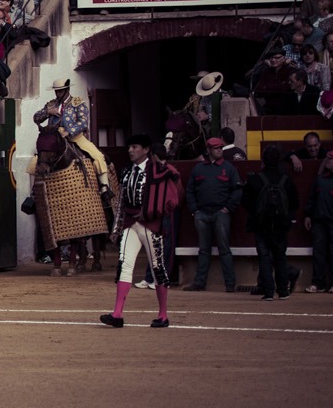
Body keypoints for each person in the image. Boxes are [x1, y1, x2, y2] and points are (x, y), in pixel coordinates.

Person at [101, 135, 182, 329]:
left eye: (135, 147)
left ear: (146, 150)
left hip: (151, 225)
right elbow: (121, 201)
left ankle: (163, 315)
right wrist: (116, 228)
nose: (130, 150)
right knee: (125, 264)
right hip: (130, 223)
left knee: (157, 268)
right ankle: (117, 314)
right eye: (129, 146)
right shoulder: (127, 171)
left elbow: (173, 184)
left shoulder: (158, 170)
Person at [32, 78, 110, 198]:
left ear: (67, 89)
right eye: (56, 91)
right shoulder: (51, 105)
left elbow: (83, 122)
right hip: (54, 138)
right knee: (34, 162)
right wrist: (48, 112)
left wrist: (68, 132)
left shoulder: (77, 102)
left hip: (75, 137)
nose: (58, 94)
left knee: (97, 155)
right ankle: (35, 193)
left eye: (60, 91)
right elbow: (36, 118)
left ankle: (104, 188)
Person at [185, 136, 242, 292]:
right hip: (202, 213)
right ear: (209, 150)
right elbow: (189, 190)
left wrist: (228, 208)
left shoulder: (229, 168)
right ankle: (200, 283)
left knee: (223, 249)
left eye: (220, 148)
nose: (219, 150)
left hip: (220, 213)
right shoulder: (198, 168)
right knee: (204, 249)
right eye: (216, 148)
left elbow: (237, 190)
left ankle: (230, 284)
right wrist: (194, 209)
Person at [243, 144, 298, 302]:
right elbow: (294, 203)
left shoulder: (255, 179)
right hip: (281, 224)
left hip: (261, 224)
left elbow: (246, 201)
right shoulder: (286, 179)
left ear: (263, 160)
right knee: (280, 256)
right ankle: (283, 291)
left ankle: (268, 292)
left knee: (264, 257)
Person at [304, 150, 333, 295]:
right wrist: (308, 215)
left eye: (331, 159)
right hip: (319, 220)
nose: (327, 161)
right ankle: (318, 283)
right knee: (319, 252)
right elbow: (312, 198)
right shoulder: (321, 179)